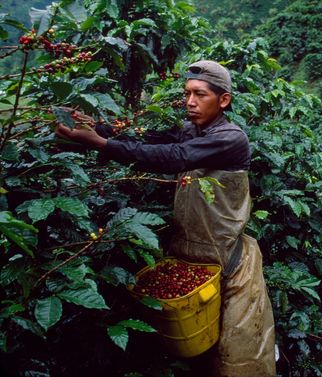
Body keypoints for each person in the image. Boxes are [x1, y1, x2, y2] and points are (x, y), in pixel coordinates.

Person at [55, 60, 276, 377]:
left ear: (223, 99)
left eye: (200, 94)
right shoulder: (191, 130)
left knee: (235, 351)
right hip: (188, 254)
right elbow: (152, 141)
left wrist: (101, 144)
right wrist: (99, 128)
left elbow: (176, 157)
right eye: (187, 93)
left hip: (227, 259)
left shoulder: (230, 138)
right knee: (189, 343)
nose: (190, 102)